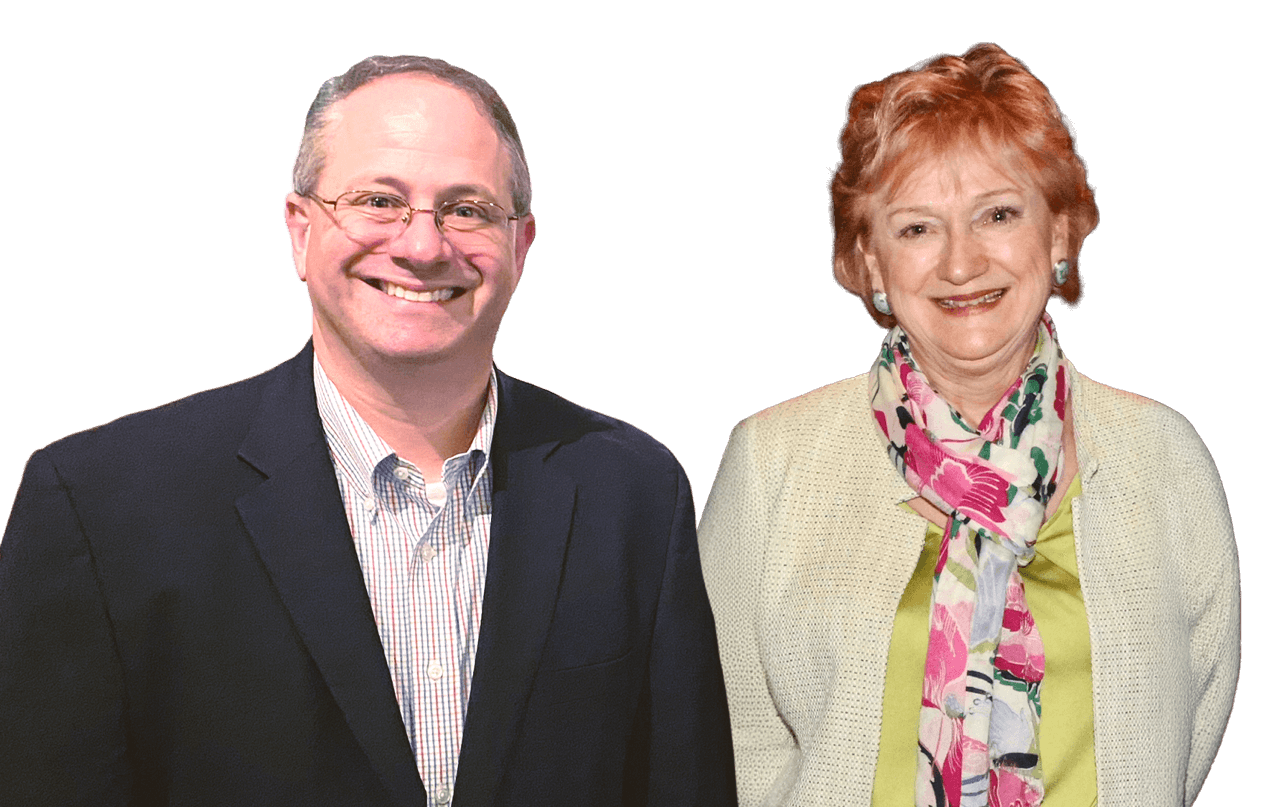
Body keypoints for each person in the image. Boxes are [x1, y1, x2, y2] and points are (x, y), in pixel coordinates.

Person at [0, 55, 736, 807]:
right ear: (299, 229)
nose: (422, 246)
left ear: (521, 247)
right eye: (380, 200)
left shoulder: (635, 492)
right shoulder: (99, 506)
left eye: (468, 209)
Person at [698, 43, 1238, 806]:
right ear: (871, 264)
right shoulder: (771, 461)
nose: (961, 262)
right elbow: (719, 740)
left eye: (998, 214)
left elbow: (1189, 727)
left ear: (1057, 234)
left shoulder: (1163, 456)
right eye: (918, 228)